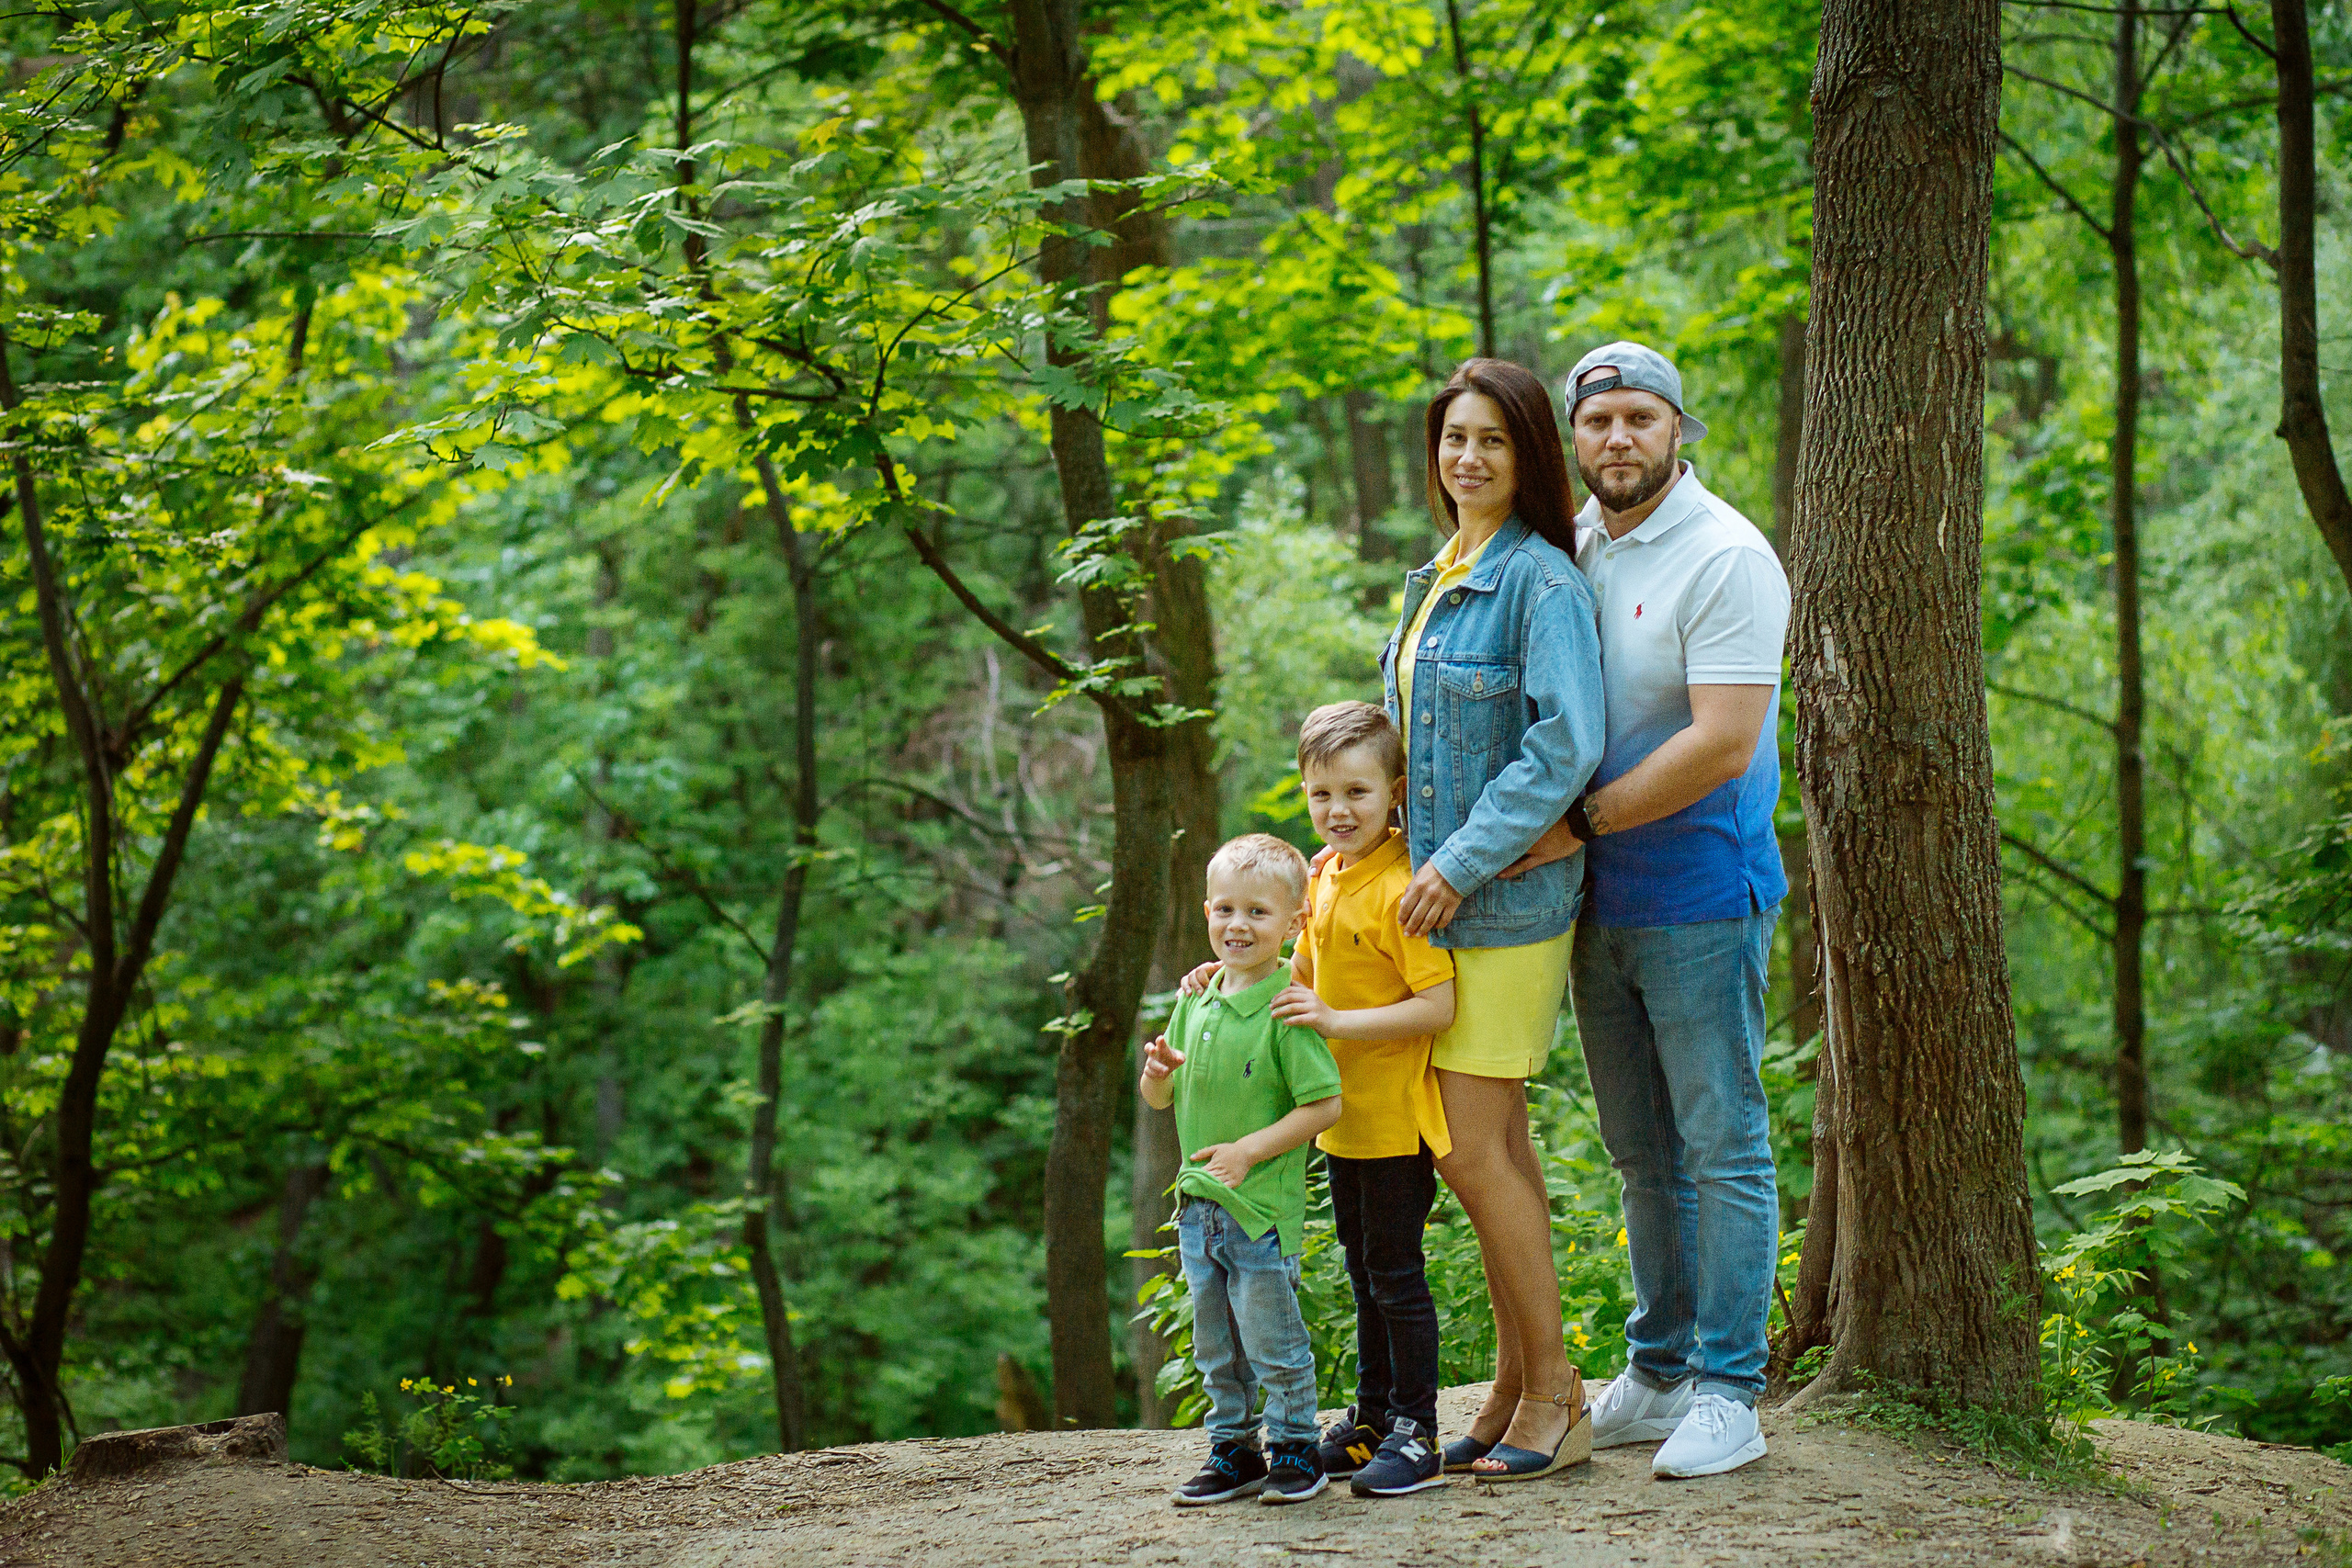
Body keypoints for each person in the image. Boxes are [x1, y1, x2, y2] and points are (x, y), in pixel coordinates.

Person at [1509, 341, 1791, 1479]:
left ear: (1680, 429)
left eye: (1639, 418)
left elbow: (1721, 744)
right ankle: (1661, 1369)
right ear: (1573, 440)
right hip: (1591, 901)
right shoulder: (1567, 546)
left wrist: (1571, 826)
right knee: (1640, 1150)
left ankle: (1732, 1389)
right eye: (1598, 422)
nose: (1617, 439)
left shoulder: (1726, 555)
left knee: (1720, 1141)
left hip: (1700, 895)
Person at [1386, 358, 1607, 1482]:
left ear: (1528, 458)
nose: (1465, 458)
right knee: (1496, 1148)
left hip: (1508, 904)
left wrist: (1462, 864)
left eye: (1492, 441)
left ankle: (1560, 1394)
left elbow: (1563, 744)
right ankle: (1519, 1389)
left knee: (1473, 1155)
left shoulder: (1539, 583)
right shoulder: (1439, 572)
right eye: (1452, 438)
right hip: (1437, 906)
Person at [1265, 701, 1458, 1498]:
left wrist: (1339, 1019)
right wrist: (1231, 981)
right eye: (1321, 795)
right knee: (1363, 1271)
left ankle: (1419, 1429)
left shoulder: (1403, 885)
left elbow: (1437, 1006)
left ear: (1396, 793)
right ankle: (1374, 1416)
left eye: (1356, 792)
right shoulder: (1321, 876)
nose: (1337, 810)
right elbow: (1303, 980)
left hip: (1395, 1120)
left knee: (1397, 1275)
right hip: (1339, 1124)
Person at [1142, 833, 1343, 1506]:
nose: (1238, 924)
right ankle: (1233, 1451)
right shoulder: (1195, 997)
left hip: (1259, 1210)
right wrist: (1155, 1075)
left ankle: (1294, 1449)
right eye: (1226, 909)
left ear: (1295, 922)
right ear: (1205, 912)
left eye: (1258, 912)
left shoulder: (1288, 1007)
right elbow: (1159, 1097)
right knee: (1215, 1345)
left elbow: (1325, 1104)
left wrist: (1250, 1150)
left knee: (1273, 1339)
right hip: (1197, 1209)